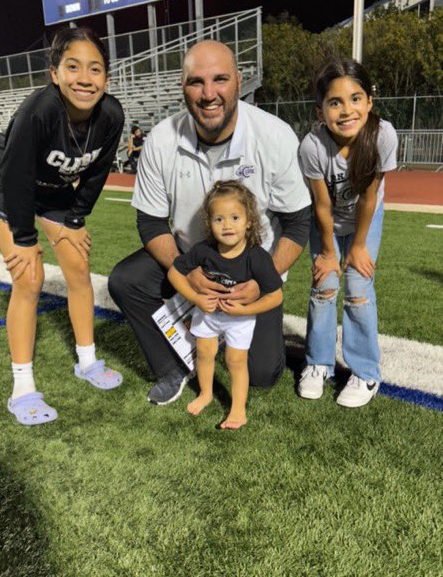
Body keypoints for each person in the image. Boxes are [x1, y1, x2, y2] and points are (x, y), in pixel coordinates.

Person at [108, 39, 312, 406]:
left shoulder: (274, 135)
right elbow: (151, 223)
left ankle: (219, 334)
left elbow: (298, 224)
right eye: (196, 82)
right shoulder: (161, 140)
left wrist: (260, 279)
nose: (208, 93)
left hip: (251, 266)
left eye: (220, 79)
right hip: (192, 256)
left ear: (238, 81)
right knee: (126, 281)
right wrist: (185, 273)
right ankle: (173, 365)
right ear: (182, 86)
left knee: (263, 375)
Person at [0, 26, 125, 425]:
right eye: (73, 67)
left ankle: (87, 362)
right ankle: (22, 388)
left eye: (95, 69)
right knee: (29, 278)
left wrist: (74, 218)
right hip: (6, 192)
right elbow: (15, 176)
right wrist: (22, 238)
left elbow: (98, 172)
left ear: (107, 76)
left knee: (78, 268)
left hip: (53, 195)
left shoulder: (111, 115)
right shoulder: (40, 111)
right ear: (55, 73)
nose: (85, 79)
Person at [297, 57, 397, 407]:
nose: (346, 109)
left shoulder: (382, 135)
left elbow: (369, 198)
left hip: (364, 220)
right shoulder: (312, 147)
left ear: (370, 101)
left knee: (357, 284)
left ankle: (365, 371)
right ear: (320, 110)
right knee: (324, 286)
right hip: (326, 221)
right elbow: (322, 206)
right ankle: (318, 364)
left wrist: (357, 247)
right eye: (334, 102)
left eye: (356, 98)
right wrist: (327, 251)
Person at [168, 180, 283, 429]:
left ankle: (238, 410)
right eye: (219, 219)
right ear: (209, 223)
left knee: (235, 361)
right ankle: (206, 394)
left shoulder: (257, 257)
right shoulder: (203, 251)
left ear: (249, 220)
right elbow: (174, 274)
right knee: (206, 353)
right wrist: (196, 298)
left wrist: (245, 310)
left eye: (234, 217)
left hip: (240, 319)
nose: (227, 225)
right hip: (207, 314)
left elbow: (275, 296)